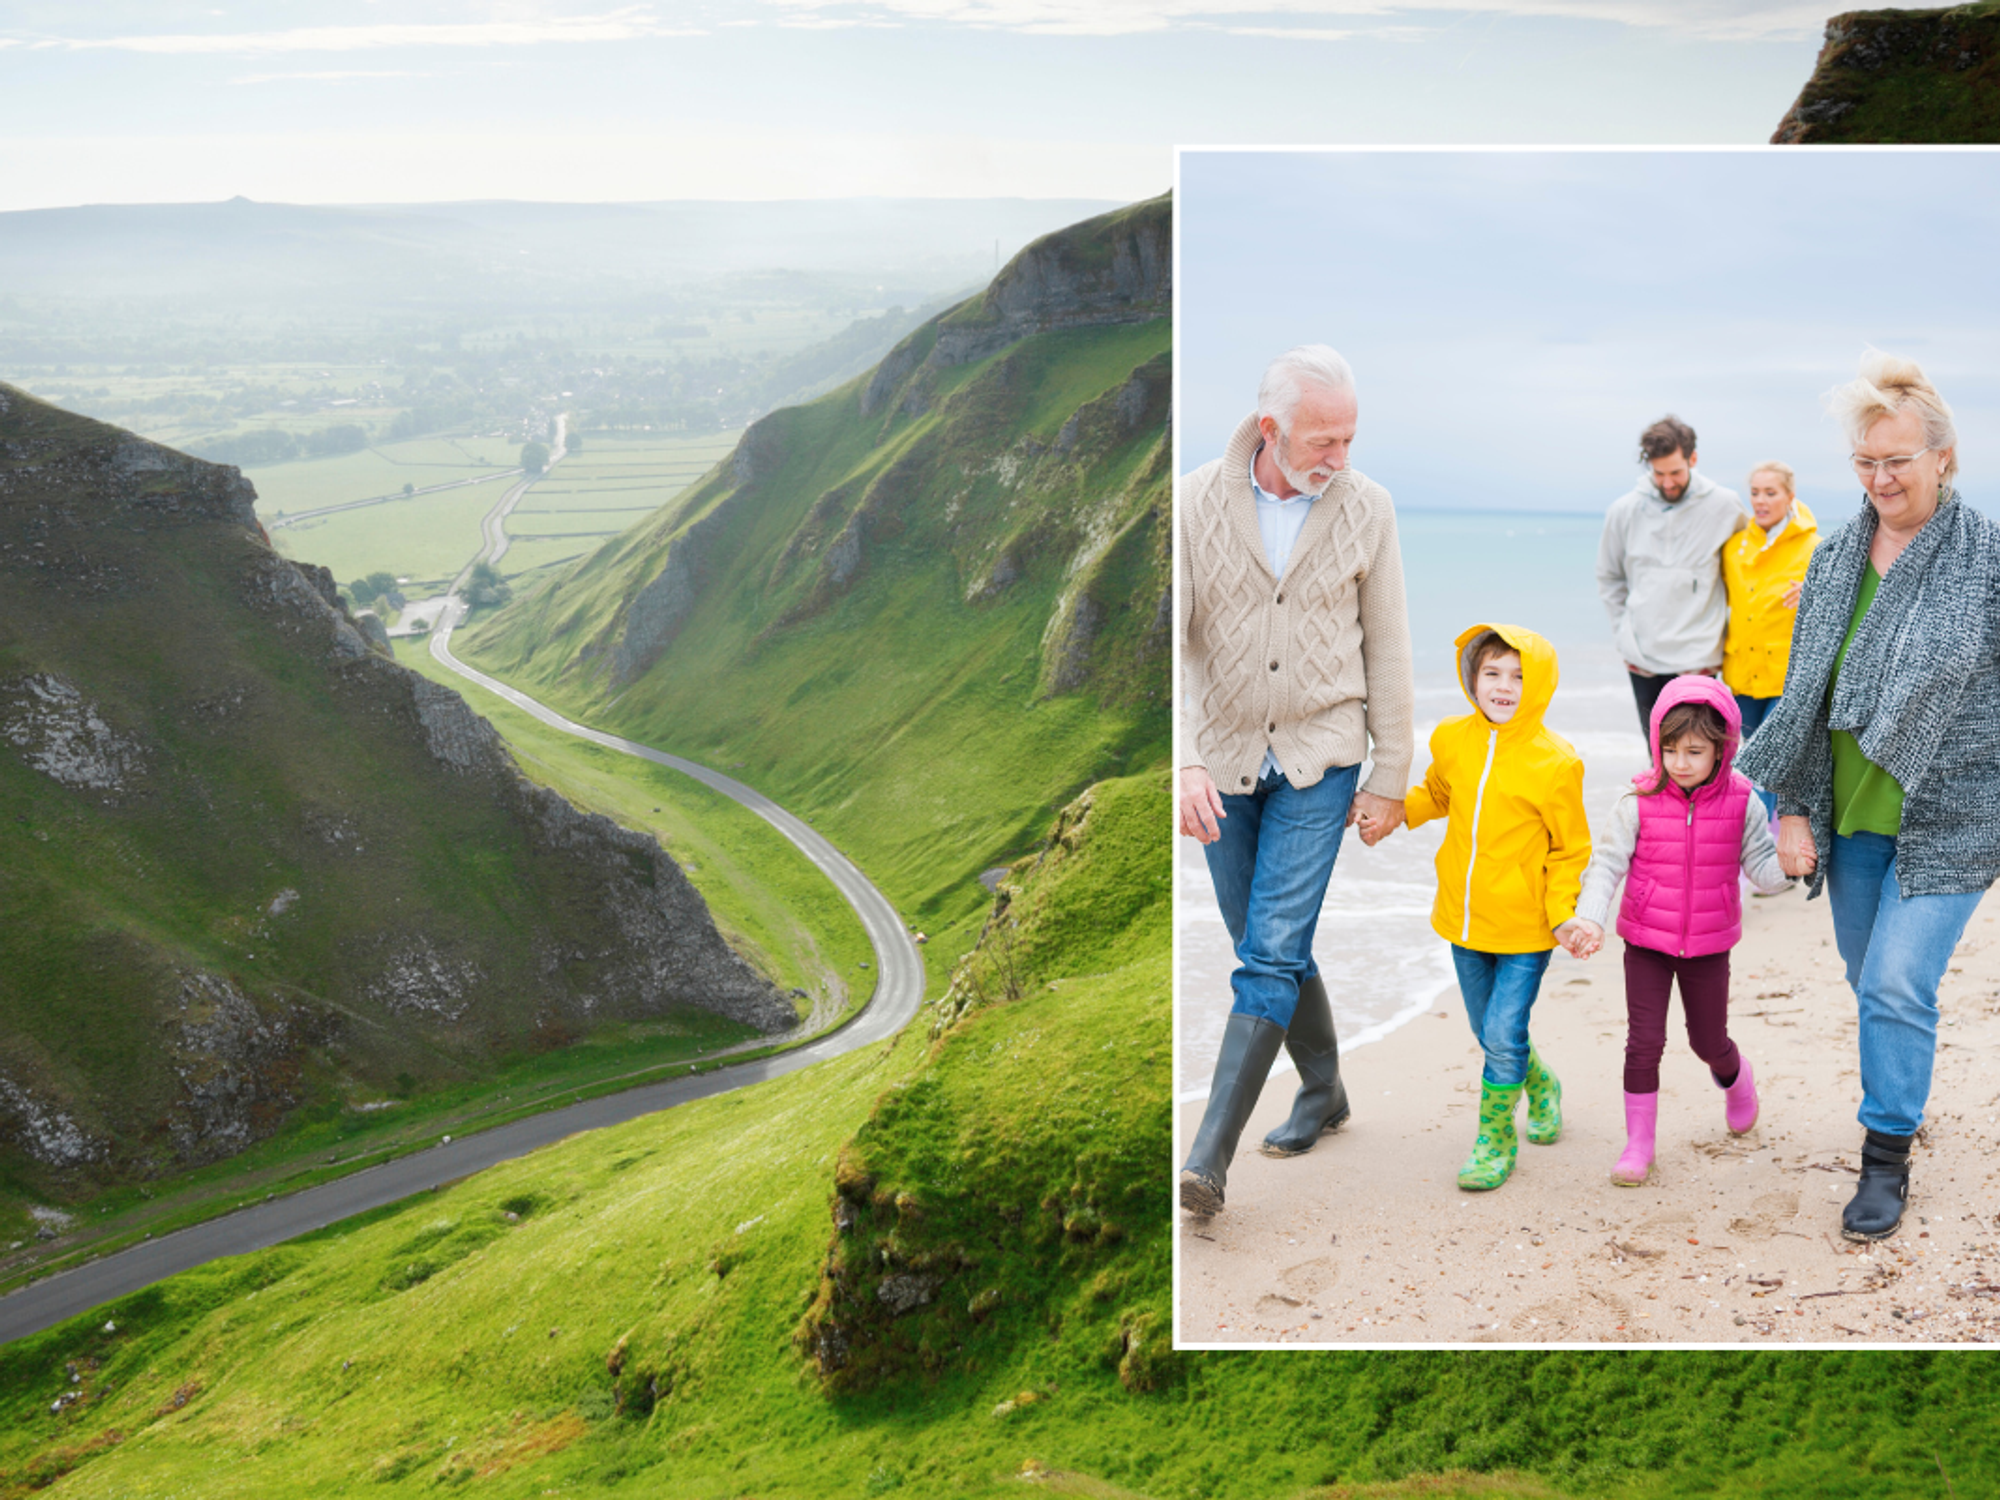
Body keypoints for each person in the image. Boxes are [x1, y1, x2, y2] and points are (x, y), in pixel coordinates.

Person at [1738, 352, 2000, 1242]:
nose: (1882, 479)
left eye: (1897, 460)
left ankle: (1884, 1157)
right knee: (1874, 982)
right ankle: (1905, 1088)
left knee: (1893, 979)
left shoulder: (1987, 562)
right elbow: (1805, 692)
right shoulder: (1838, 554)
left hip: (1954, 816)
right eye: (1865, 462)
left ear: (1943, 457)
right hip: (1850, 817)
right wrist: (1794, 808)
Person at [1176, 344, 1415, 1216]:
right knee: (1263, 941)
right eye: (1322, 440)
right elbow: (1164, 644)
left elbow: (1388, 643)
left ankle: (1207, 1158)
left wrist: (1391, 771)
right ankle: (1325, 1089)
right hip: (1224, 760)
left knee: (1271, 949)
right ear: (1270, 429)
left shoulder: (1368, 508)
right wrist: (1184, 760)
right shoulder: (1195, 501)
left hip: (1323, 753)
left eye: (1349, 439)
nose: (1339, 459)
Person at [1564, 677, 1789, 1186]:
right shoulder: (1637, 800)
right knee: (1643, 1042)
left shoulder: (1744, 802)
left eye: (1694, 751)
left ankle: (1737, 1080)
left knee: (1707, 1041)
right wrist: (1590, 917)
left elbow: (1763, 872)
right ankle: (1639, 1146)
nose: (1680, 762)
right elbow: (1605, 866)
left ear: (1722, 748)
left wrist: (1792, 867)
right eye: (1669, 750)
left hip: (1709, 946)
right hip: (1646, 942)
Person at [1393, 623, 1591, 1191]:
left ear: (1541, 685)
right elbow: (1437, 794)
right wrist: (1392, 814)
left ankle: (1494, 1142)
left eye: (1520, 676)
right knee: (1489, 1031)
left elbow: (1570, 849)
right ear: (1472, 677)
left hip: (1527, 930)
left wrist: (1561, 914)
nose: (1505, 687)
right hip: (1463, 918)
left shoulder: (1556, 763)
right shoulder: (1453, 738)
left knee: (1502, 1034)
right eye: (1493, 673)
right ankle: (1542, 1082)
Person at [1596, 416, 1747, 736]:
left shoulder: (1725, 505)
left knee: (1699, 755)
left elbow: (1749, 567)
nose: (1667, 483)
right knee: (1658, 758)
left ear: (1693, 459)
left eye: (1676, 472)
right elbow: (1609, 577)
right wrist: (1623, 634)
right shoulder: (1624, 510)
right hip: (1642, 656)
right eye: (1659, 473)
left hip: (1698, 656)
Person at [1722, 461, 1821, 818]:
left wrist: (1815, 591)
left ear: (1789, 497)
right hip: (1741, 673)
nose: (1761, 501)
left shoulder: (1816, 548)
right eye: (1755, 493)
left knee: (1769, 760)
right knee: (1749, 759)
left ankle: (1768, 844)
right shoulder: (1734, 547)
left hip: (1786, 676)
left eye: (1770, 493)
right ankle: (1763, 842)